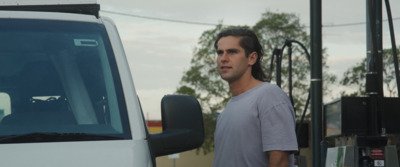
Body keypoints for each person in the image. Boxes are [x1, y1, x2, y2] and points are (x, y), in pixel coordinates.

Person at [212, 28, 298, 167]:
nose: (223, 58)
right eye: (220, 52)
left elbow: (280, 160)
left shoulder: (269, 95)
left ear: (252, 58)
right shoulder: (225, 112)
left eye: (232, 52)